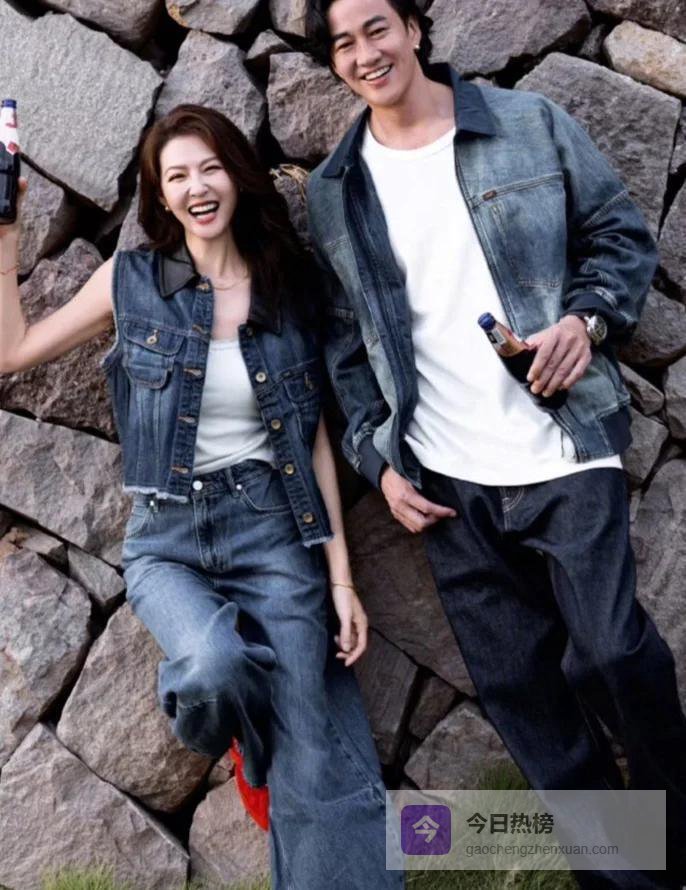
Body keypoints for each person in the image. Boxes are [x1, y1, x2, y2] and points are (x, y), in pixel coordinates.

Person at [304, 1, 686, 887]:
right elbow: (345, 346)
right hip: (445, 480)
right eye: (343, 43)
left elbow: (619, 236)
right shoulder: (336, 189)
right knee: (528, 703)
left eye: (377, 28)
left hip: (562, 444)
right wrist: (378, 463)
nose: (365, 54)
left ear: (414, 28)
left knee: (613, 654)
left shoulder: (526, 123)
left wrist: (584, 322)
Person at [0, 104, 404, 890]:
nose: (197, 187)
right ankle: (247, 724)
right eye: (177, 176)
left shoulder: (287, 288)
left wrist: (341, 579)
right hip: (168, 541)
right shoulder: (132, 282)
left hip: (273, 530)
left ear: (237, 177)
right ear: (160, 194)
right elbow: (11, 352)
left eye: (210, 168)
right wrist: (6, 233)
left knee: (314, 752)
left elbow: (313, 439)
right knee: (214, 669)